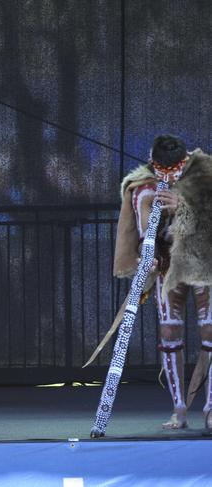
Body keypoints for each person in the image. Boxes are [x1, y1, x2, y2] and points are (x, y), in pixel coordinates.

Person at [113, 134, 212, 430]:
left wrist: (183, 206)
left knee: (210, 328)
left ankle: (209, 406)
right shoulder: (143, 187)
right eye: (162, 170)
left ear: (185, 162)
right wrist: (148, 254)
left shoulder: (205, 174)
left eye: (175, 168)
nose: (168, 175)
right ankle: (178, 408)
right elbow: (143, 226)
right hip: (168, 267)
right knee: (170, 330)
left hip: (203, 262)